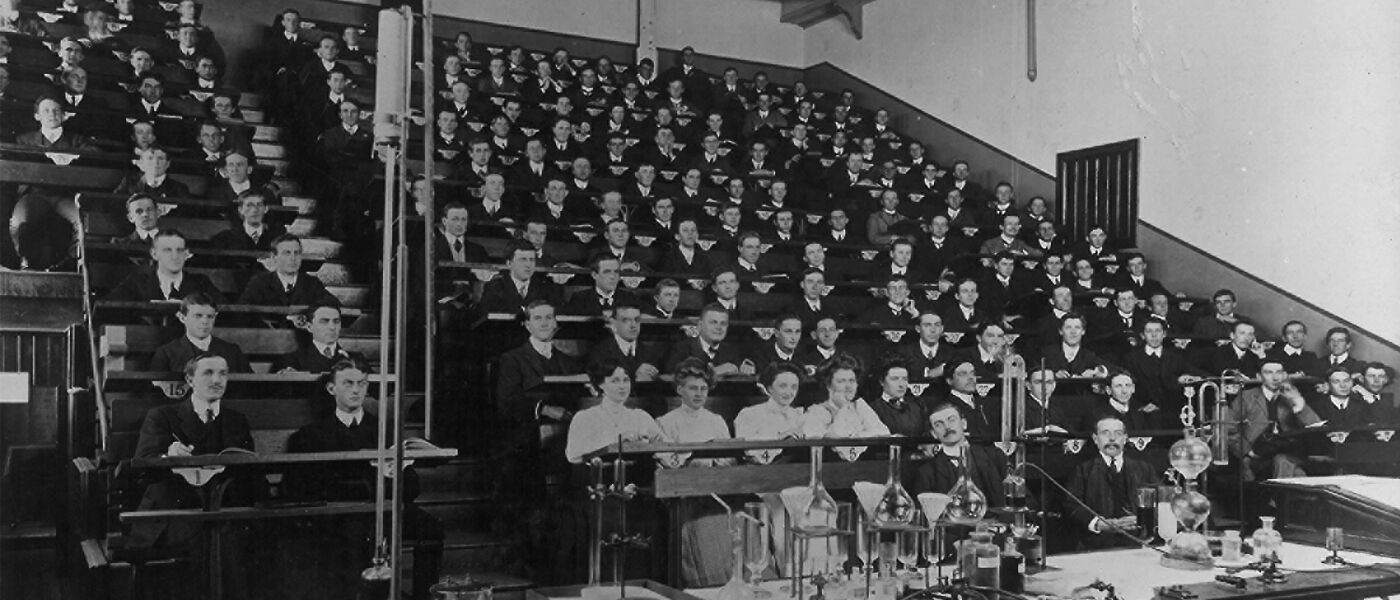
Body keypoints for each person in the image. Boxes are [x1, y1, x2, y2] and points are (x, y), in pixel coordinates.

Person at [282, 360, 443, 600]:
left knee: (430, 528)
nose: (356, 390)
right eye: (348, 383)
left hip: (385, 509)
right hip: (342, 514)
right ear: (331, 389)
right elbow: (301, 488)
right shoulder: (311, 434)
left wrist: (394, 473)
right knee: (353, 535)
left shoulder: (385, 430)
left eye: (362, 383)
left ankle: (423, 596)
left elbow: (412, 488)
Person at [129, 354, 255, 597]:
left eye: (223, 373)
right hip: (176, 509)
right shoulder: (162, 416)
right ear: (189, 379)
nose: (217, 379)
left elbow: (248, 468)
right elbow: (143, 467)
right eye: (208, 373)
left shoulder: (237, 420)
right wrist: (168, 455)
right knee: (202, 545)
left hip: (224, 506)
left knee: (234, 543)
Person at [655, 358, 732, 586]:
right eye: (692, 388)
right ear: (680, 389)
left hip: (716, 489)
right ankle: (700, 585)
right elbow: (668, 463)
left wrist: (716, 460)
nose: (699, 394)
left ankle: (728, 585)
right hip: (684, 493)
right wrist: (695, 458)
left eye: (703, 388)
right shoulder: (666, 422)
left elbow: (730, 458)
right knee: (698, 524)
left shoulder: (717, 420)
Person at [1064, 416, 1157, 550]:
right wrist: (1099, 523)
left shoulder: (1144, 469)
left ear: (1125, 438)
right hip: (1095, 546)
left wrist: (1143, 520)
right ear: (1095, 439)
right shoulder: (1082, 470)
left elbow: (1161, 503)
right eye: (1105, 433)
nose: (1112, 438)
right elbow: (1072, 506)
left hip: (1138, 544)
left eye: (1118, 433)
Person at [1222, 360, 1322, 480]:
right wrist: (1247, 452)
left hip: (1290, 453)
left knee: (1283, 461)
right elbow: (1227, 428)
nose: (1275, 378)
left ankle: (1276, 499)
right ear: (1259, 376)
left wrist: (1299, 404)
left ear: (1284, 375)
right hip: (1258, 454)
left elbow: (1316, 426)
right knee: (1298, 474)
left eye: (1279, 372)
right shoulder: (1246, 397)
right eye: (1269, 373)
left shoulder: (1292, 394)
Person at [565, 359, 663, 464]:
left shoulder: (640, 416)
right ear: (601, 384)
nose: (622, 386)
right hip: (599, 475)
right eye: (615, 381)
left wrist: (648, 442)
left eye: (626, 380)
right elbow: (573, 455)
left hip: (637, 474)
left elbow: (663, 447)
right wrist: (617, 440)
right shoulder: (585, 417)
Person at [909, 402, 1007, 506]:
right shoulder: (927, 473)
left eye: (951, 420)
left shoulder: (995, 457)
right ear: (934, 434)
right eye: (939, 424)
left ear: (964, 424)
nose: (947, 427)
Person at [802, 352, 890, 461]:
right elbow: (832, 442)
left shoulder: (860, 406)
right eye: (841, 381)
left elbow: (883, 432)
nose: (848, 386)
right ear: (828, 385)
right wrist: (842, 409)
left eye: (852, 381)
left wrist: (855, 436)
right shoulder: (815, 412)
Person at [1119, 317, 1204, 418]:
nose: (1154, 335)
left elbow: (1199, 374)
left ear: (1164, 334)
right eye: (1149, 331)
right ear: (1142, 335)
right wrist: (1143, 406)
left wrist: (1192, 378)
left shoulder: (1176, 357)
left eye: (1158, 331)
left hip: (1171, 412)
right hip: (1142, 412)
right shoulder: (1131, 359)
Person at [106, 229, 223, 302]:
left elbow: (227, 312)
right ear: (154, 254)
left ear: (187, 254)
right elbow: (106, 308)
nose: (174, 256)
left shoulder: (201, 283)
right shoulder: (137, 283)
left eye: (179, 250)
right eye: (167, 250)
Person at [148, 293, 252, 373]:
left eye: (210, 317)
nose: (205, 322)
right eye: (198, 316)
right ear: (182, 317)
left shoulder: (232, 351)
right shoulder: (167, 354)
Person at [238, 234, 338, 307]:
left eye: (297, 253)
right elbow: (242, 312)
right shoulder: (259, 282)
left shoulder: (312, 284)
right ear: (274, 257)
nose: (293, 258)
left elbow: (335, 306)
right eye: (287, 253)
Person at [476, 240, 564, 314]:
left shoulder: (546, 286)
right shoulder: (495, 286)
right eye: (523, 260)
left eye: (531, 260)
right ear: (509, 264)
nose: (528, 265)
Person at [272, 304, 365, 372]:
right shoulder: (292, 359)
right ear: (309, 327)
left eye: (336, 321)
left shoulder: (356, 359)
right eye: (324, 321)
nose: (332, 327)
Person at [664, 303, 753, 374]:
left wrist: (745, 371)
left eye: (723, 323)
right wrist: (715, 371)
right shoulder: (681, 348)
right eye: (713, 322)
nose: (718, 327)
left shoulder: (733, 351)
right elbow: (674, 375)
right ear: (700, 326)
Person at [588, 303, 660, 382]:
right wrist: (635, 377)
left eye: (637, 320)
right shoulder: (600, 352)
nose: (633, 325)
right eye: (625, 320)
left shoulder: (651, 353)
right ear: (613, 323)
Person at [866, 355, 927, 437]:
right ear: (882, 381)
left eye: (904, 379)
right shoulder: (871, 409)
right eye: (895, 379)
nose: (901, 384)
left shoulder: (918, 406)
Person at [211, 189, 284, 252]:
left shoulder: (278, 238)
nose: (255, 210)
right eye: (249, 205)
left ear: (266, 209)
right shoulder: (223, 239)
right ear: (240, 210)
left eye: (259, 205)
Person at [115, 146, 191, 199]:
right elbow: (114, 202)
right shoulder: (129, 182)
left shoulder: (179, 189)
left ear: (168, 163)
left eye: (160, 158)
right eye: (150, 158)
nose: (155, 162)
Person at [1023, 368, 1071, 434]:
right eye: (1038, 382)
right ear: (1028, 386)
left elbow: (1072, 435)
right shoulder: (1020, 409)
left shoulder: (1059, 407)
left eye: (1049, 382)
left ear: (1054, 386)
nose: (1044, 387)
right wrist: (1047, 429)